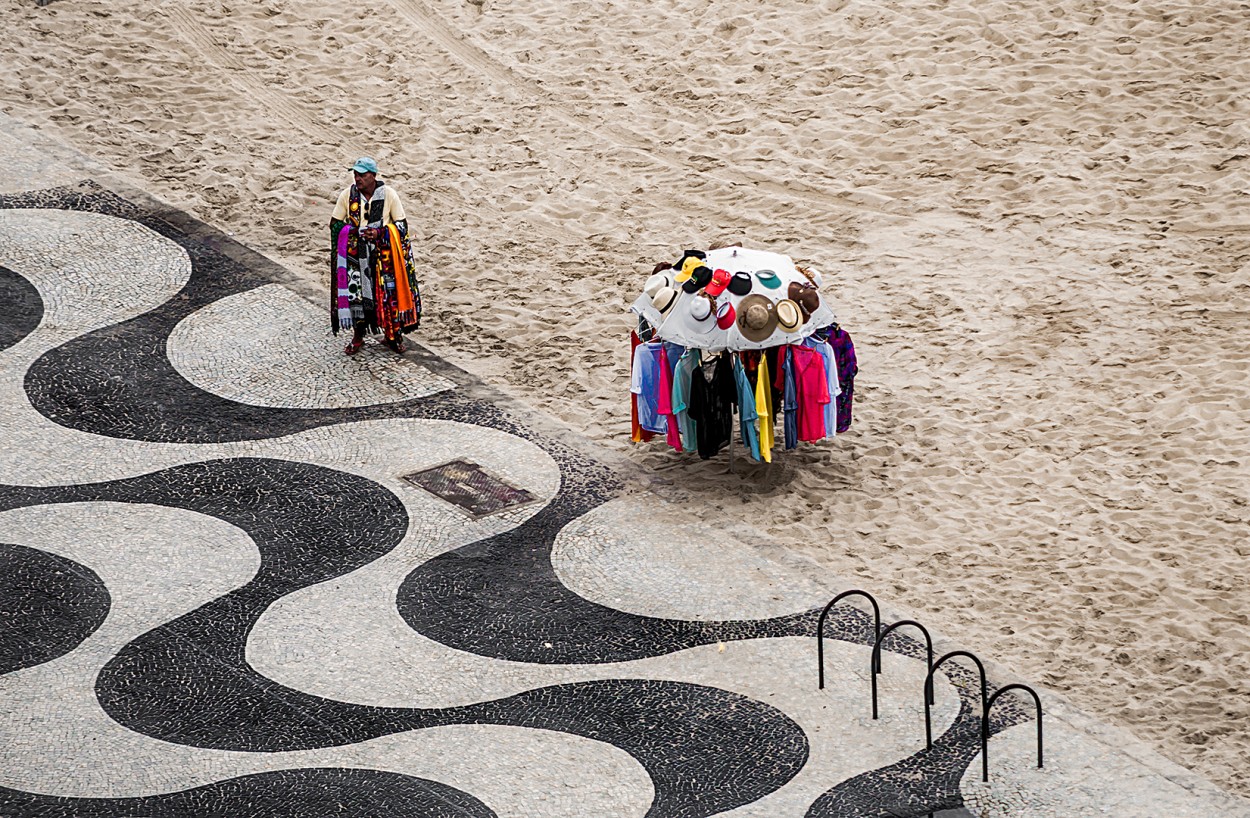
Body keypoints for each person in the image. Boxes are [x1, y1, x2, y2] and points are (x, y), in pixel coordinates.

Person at [329, 157, 422, 355]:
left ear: (373, 176)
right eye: (355, 174)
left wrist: (380, 233)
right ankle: (358, 336)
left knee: (389, 299)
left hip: (384, 259)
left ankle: (393, 336)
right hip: (356, 258)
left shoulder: (389, 195)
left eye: (362, 175)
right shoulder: (347, 196)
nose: (357, 179)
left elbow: (402, 226)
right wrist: (353, 232)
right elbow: (335, 224)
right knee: (358, 298)